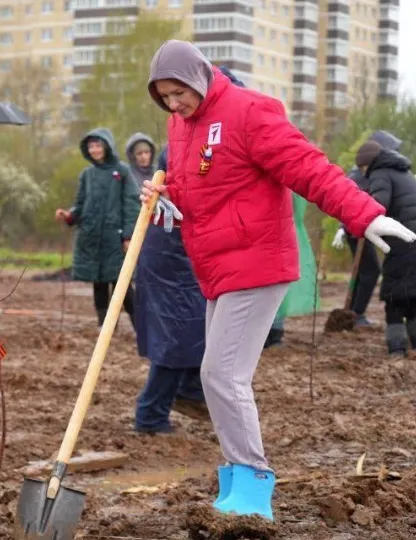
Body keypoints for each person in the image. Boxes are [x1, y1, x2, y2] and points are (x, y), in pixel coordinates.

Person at [141, 39, 415, 522]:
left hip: (257, 261)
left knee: (221, 375)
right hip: (218, 265)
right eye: (164, 96)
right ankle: (237, 476)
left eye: (179, 92)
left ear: (200, 77)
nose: (173, 103)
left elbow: (307, 166)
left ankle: (251, 482)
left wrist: (363, 214)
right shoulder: (181, 126)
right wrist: (165, 193)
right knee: (219, 374)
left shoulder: (250, 112)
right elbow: (201, 187)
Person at [129, 134, 208, 434]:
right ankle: (151, 414)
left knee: (193, 328)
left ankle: (189, 388)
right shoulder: (193, 147)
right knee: (179, 334)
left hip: (180, 250)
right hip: (170, 252)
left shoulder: (198, 143)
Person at [55, 128, 139, 329]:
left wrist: (128, 236)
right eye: (91, 146)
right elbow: (81, 203)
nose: (94, 150)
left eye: (98, 145)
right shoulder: (87, 175)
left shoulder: (122, 171)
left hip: (115, 239)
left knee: (122, 284)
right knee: (99, 284)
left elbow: (132, 205)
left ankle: (140, 327)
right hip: (92, 238)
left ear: (107, 146)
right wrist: (70, 215)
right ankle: (106, 328)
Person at [332, 130, 403, 327]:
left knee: (365, 271)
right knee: (370, 271)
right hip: (358, 228)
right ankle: (357, 313)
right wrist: (343, 227)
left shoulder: (362, 172)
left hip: (357, 228)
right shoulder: (363, 174)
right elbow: (350, 200)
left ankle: (353, 311)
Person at [355, 141, 416, 355]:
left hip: (401, 242)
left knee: (393, 297)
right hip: (412, 238)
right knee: (412, 295)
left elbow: (379, 203)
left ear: (367, 164)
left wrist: (360, 211)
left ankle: (397, 348)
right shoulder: (403, 171)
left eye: (362, 169)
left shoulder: (380, 172)